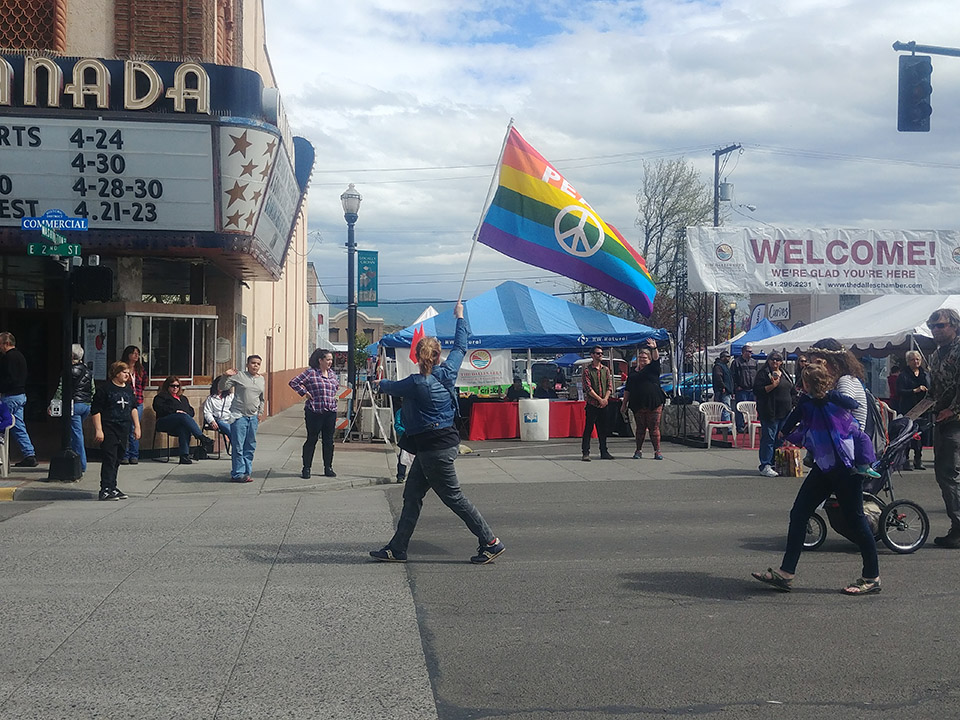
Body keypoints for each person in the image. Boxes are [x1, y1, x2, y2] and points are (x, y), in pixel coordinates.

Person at [370, 301, 504, 565]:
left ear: (418, 357)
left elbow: (387, 386)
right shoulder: (448, 371)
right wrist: (460, 317)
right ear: (438, 355)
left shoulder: (417, 383)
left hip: (434, 449)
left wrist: (377, 380)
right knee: (412, 495)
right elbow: (462, 346)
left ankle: (490, 542)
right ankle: (397, 548)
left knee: (454, 497)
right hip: (438, 445)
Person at [752, 337, 880, 596]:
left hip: (846, 465)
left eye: (814, 359)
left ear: (828, 360)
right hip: (827, 464)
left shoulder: (844, 383)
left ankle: (872, 576)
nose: (808, 362)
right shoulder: (829, 387)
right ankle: (786, 573)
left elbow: (852, 421)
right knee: (799, 513)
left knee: (855, 520)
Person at [782, 365, 880, 480]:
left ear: (807, 384)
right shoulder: (832, 395)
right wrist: (855, 404)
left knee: (812, 439)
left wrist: (784, 431)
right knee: (862, 438)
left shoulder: (806, 399)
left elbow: (795, 416)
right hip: (839, 429)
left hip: (818, 433)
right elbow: (850, 403)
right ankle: (864, 466)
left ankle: (810, 455)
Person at [925, 308, 960, 548]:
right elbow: (935, 391)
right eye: (932, 326)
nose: (936, 330)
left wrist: (954, 410)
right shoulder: (936, 355)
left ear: (954, 326)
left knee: (948, 474)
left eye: (941, 325)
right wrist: (920, 409)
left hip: (955, 420)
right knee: (944, 474)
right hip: (942, 420)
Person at [90, 361, 141, 501]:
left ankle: (113, 486)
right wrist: (99, 430)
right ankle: (105, 488)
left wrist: (137, 426)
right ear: (116, 373)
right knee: (110, 458)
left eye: (128, 372)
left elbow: (133, 408)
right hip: (109, 427)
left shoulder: (129, 389)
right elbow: (96, 410)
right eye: (124, 372)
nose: (127, 375)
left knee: (118, 457)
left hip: (124, 428)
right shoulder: (105, 389)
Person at [289, 348, 339, 480]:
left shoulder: (332, 374)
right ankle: (306, 468)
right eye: (327, 359)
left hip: (330, 411)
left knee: (328, 441)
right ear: (320, 360)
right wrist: (304, 392)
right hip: (314, 411)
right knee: (312, 439)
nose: (330, 362)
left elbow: (336, 388)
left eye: (331, 360)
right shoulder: (311, 373)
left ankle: (328, 467)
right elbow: (293, 382)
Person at [222, 355, 266, 483]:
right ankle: (237, 473)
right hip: (239, 416)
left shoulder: (261, 379)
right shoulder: (240, 376)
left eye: (258, 363)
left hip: (253, 417)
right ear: (247, 364)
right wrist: (225, 375)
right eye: (253, 363)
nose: (255, 366)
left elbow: (261, 398)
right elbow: (223, 387)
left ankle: (247, 472)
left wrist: (260, 413)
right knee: (238, 446)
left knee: (250, 446)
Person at [50, 344, 94, 473]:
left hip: (73, 405)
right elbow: (92, 389)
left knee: (76, 435)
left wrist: (53, 404)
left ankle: (82, 464)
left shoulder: (68, 370)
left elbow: (61, 389)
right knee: (74, 433)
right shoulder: (88, 371)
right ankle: (74, 457)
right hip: (86, 405)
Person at [153, 377, 215, 464]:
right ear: (167, 386)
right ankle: (202, 437)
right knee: (181, 416)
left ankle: (184, 456)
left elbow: (191, 411)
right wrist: (175, 411)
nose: (175, 388)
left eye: (177, 386)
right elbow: (159, 408)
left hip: (179, 423)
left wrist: (183, 413)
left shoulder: (183, 398)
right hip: (164, 421)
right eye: (172, 386)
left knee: (184, 428)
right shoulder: (161, 397)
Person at [754, 352, 796, 477]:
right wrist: (773, 385)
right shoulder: (763, 374)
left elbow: (792, 389)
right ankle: (765, 464)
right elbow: (757, 390)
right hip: (770, 411)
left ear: (781, 362)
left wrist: (793, 402)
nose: (775, 362)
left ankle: (774, 462)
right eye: (772, 359)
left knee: (781, 438)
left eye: (778, 360)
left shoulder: (786, 374)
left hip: (785, 411)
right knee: (769, 438)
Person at [622, 338, 664, 460]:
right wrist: (624, 404)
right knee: (640, 428)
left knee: (654, 428)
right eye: (640, 358)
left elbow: (656, 359)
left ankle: (657, 451)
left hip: (654, 402)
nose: (642, 360)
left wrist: (654, 348)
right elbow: (627, 389)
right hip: (637, 403)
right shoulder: (633, 372)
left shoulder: (653, 368)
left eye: (644, 358)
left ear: (649, 359)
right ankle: (638, 450)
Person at [0, 332, 37, 467]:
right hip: (20, 395)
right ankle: (29, 454)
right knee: (18, 425)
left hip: (10, 396)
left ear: (6, 343)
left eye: (0, 344)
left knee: (2, 425)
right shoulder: (20, 356)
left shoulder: (8, 358)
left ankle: (2, 457)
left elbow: (9, 378)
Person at [896, 349, 928, 471]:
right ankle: (905, 460)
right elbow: (899, 391)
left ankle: (918, 460)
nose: (915, 361)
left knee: (920, 436)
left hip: (923, 409)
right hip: (908, 409)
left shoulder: (925, 374)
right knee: (908, 436)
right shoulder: (903, 375)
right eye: (912, 359)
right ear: (908, 362)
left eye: (917, 359)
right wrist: (915, 390)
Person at [581, 346, 614, 461]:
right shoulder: (587, 371)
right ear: (592, 355)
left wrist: (605, 399)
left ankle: (604, 451)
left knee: (603, 429)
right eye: (597, 353)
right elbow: (588, 388)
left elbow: (610, 386)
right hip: (592, 404)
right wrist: (599, 399)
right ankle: (585, 452)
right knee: (588, 428)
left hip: (604, 404)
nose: (600, 355)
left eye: (601, 353)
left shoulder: (605, 370)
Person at [120, 346, 147, 465]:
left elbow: (144, 383)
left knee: (135, 427)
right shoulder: (122, 368)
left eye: (138, 353)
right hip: (125, 401)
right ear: (128, 354)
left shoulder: (140, 369)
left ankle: (134, 454)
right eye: (134, 353)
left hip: (138, 401)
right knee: (125, 427)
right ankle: (124, 454)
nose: (136, 356)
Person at [731, 343, 758, 433]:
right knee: (740, 410)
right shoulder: (736, 362)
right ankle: (740, 427)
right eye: (748, 352)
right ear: (743, 352)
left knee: (751, 410)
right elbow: (732, 376)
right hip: (741, 390)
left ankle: (749, 426)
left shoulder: (754, 362)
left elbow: (756, 375)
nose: (750, 353)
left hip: (752, 390)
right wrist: (736, 387)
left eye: (751, 352)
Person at [202, 376, 234, 443]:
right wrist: (212, 421)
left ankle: (238, 448)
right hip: (219, 420)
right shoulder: (210, 399)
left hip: (231, 419)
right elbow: (207, 412)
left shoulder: (231, 396)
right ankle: (237, 448)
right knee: (231, 430)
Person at [712, 350, 735, 421]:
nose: (729, 358)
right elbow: (718, 377)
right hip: (722, 391)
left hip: (727, 390)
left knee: (725, 408)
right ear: (723, 357)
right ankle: (727, 427)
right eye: (727, 357)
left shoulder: (725, 366)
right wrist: (723, 386)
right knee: (726, 408)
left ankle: (724, 425)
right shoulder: (718, 366)